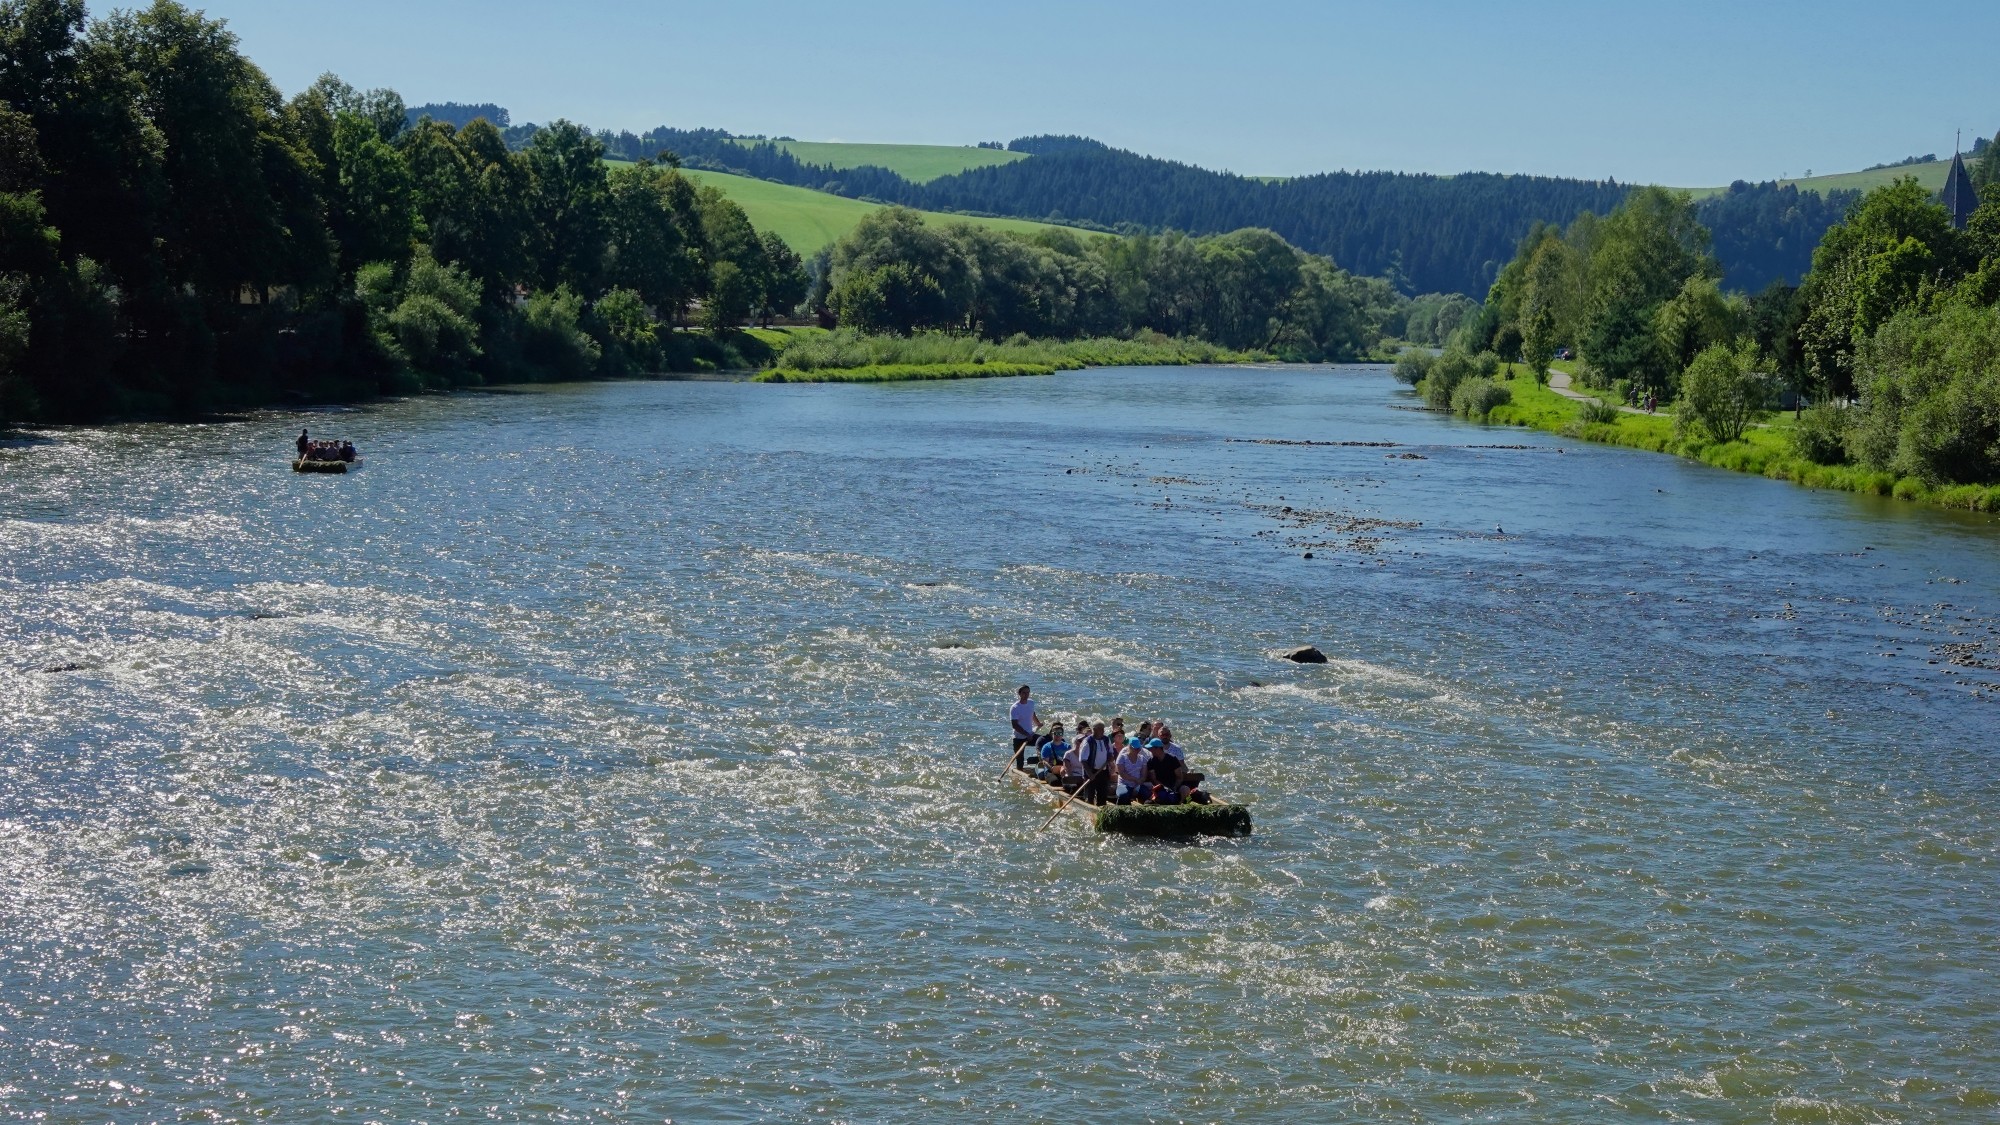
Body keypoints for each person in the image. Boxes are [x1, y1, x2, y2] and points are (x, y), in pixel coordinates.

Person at [1076, 721, 1115, 805]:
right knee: (1090, 796)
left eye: (1103, 729)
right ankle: (1089, 810)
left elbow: (1110, 753)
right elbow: (1083, 759)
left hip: (1103, 771)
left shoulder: (1106, 739)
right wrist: (1089, 773)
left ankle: (1101, 808)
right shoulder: (1087, 741)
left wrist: (1111, 758)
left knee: (1103, 794)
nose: (1103, 731)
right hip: (1091, 772)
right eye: (1101, 729)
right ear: (1094, 730)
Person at [1008, 685, 1041, 769]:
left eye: (1028, 692)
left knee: (1044, 742)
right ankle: (1019, 775)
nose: (1026, 695)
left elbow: (1032, 713)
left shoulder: (1031, 702)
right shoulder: (1015, 708)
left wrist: (1038, 723)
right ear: (1019, 694)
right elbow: (1015, 725)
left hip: (1030, 735)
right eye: (1024, 693)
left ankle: (1039, 761)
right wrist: (1026, 734)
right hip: (1018, 738)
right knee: (1020, 762)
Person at [1113, 737, 1149, 804]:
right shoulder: (1122, 757)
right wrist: (1135, 779)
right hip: (1124, 784)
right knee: (1124, 795)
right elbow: (1122, 774)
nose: (1137, 750)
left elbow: (1144, 774)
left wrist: (1142, 779)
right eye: (1135, 748)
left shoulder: (1142, 758)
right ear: (1130, 747)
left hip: (1137, 784)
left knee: (1147, 794)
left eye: (1138, 748)